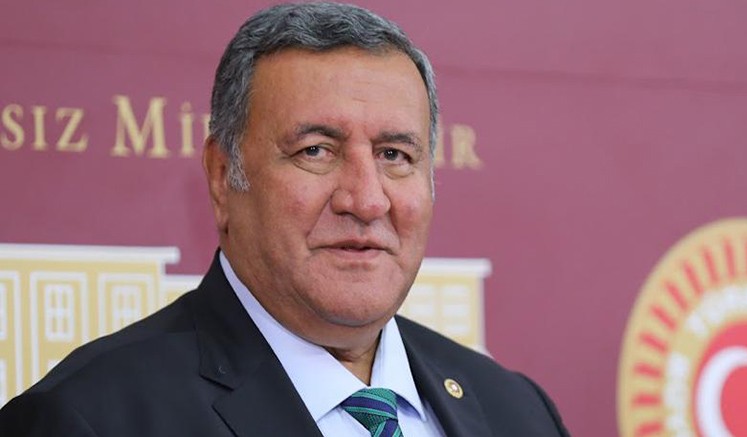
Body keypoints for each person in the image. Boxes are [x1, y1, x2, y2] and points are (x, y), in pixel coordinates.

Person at [0, 3, 569, 436]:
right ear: (223, 176)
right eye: (315, 151)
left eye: (395, 155)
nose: (367, 200)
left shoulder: (518, 412)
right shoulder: (90, 418)